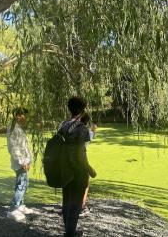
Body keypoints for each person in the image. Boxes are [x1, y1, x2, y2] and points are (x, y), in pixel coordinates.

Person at [60, 97, 97, 237]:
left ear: (70, 109)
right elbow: (80, 154)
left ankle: (68, 231)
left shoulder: (62, 125)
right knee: (75, 203)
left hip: (64, 168)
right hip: (78, 171)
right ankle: (71, 233)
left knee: (66, 200)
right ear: (82, 110)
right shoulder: (81, 129)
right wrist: (90, 169)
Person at [6, 107, 34, 221]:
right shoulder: (13, 128)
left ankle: (20, 205)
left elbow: (24, 146)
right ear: (18, 116)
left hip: (24, 161)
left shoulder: (19, 128)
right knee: (21, 184)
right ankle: (13, 209)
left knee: (24, 183)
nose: (25, 118)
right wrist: (22, 162)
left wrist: (28, 160)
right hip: (20, 162)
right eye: (23, 115)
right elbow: (14, 147)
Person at [79, 113, 98, 217]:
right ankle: (81, 208)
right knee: (85, 185)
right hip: (81, 162)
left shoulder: (69, 129)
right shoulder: (86, 133)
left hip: (69, 162)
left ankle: (69, 207)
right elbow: (92, 133)